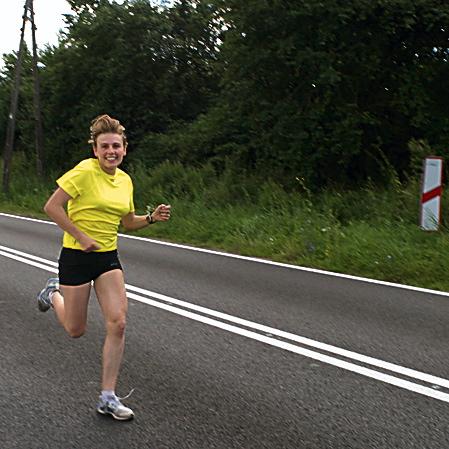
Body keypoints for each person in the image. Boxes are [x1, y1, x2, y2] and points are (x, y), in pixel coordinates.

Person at [37, 114, 171, 420]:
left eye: (116, 146)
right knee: (75, 330)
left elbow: (128, 222)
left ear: (124, 148)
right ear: (95, 150)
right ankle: (53, 293)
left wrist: (151, 218)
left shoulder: (125, 180)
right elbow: (52, 207)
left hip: (107, 258)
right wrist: (81, 236)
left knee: (118, 322)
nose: (111, 151)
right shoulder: (84, 172)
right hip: (77, 256)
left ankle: (107, 397)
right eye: (105, 146)